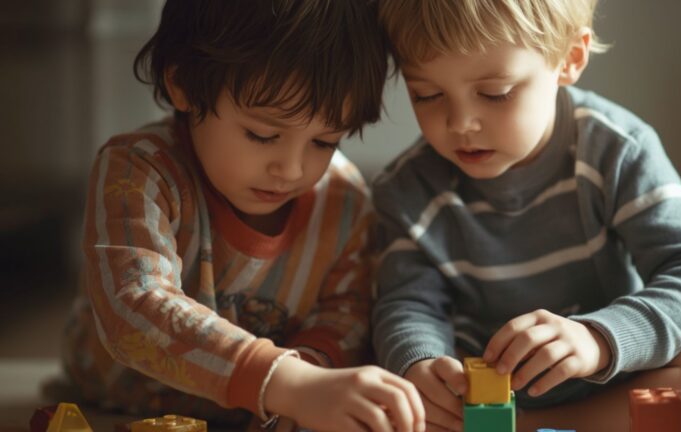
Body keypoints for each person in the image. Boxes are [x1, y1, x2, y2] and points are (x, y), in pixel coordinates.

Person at [370, 1, 681, 431]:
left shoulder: (616, 149)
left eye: (495, 93)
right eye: (427, 94)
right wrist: (423, 365)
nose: (460, 122)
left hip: (608, 379)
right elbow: (407, 303)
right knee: (387, 392)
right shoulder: (405, 189)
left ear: (570, 59)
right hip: (476, 397)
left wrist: (599, 339)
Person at [61, 1, 425, 431]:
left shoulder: (343, 199)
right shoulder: (138, 170)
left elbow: (344, 312)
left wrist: (308, 381)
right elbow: (134, 307)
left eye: (324, 141)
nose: (291, 169)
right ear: (183, 85)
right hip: (117, 404)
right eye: (263, 134)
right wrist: (288, 383)